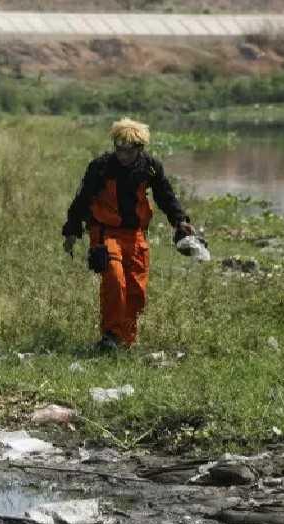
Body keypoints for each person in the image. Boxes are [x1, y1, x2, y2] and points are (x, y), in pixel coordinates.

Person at [62, 118, 195, 351]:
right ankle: (110, 336)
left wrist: (180, 221)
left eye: (128, 150)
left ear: (139, 148)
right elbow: (82, 200)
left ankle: (126, 341)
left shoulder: (151, 167)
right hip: (105, 233)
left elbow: (166, 196)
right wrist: (72, 231)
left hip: (136, 236)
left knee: (136, 290)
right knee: (114, 279)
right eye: (118, 148)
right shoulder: (100, 167)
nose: (122, 155)